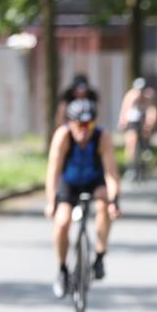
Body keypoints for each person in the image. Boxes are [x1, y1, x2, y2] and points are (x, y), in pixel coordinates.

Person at [45, 98, 122, 297]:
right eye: (80, 124)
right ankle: (62, 270)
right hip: (69, 183)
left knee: (104, 207)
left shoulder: (102, 137)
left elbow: (111, 173)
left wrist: (114, 200)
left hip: (93, 182)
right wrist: (51, 201)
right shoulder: (62, 136)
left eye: (90, 125)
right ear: (70, 123)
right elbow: (53, 172)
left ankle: (99, 256)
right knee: (62, 222)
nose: (84, 130)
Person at [117, 77, 157, 181]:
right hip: (132, 121)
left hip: (143, 120)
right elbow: (125, 109)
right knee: (131, 141)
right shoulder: (131, 95)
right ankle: (130, 166)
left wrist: (150, 122)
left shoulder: (148, 96)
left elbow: (152, 111)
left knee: (147, 132)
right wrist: (122, 121)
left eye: (142, 89)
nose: (140, 92)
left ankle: (146, 148)